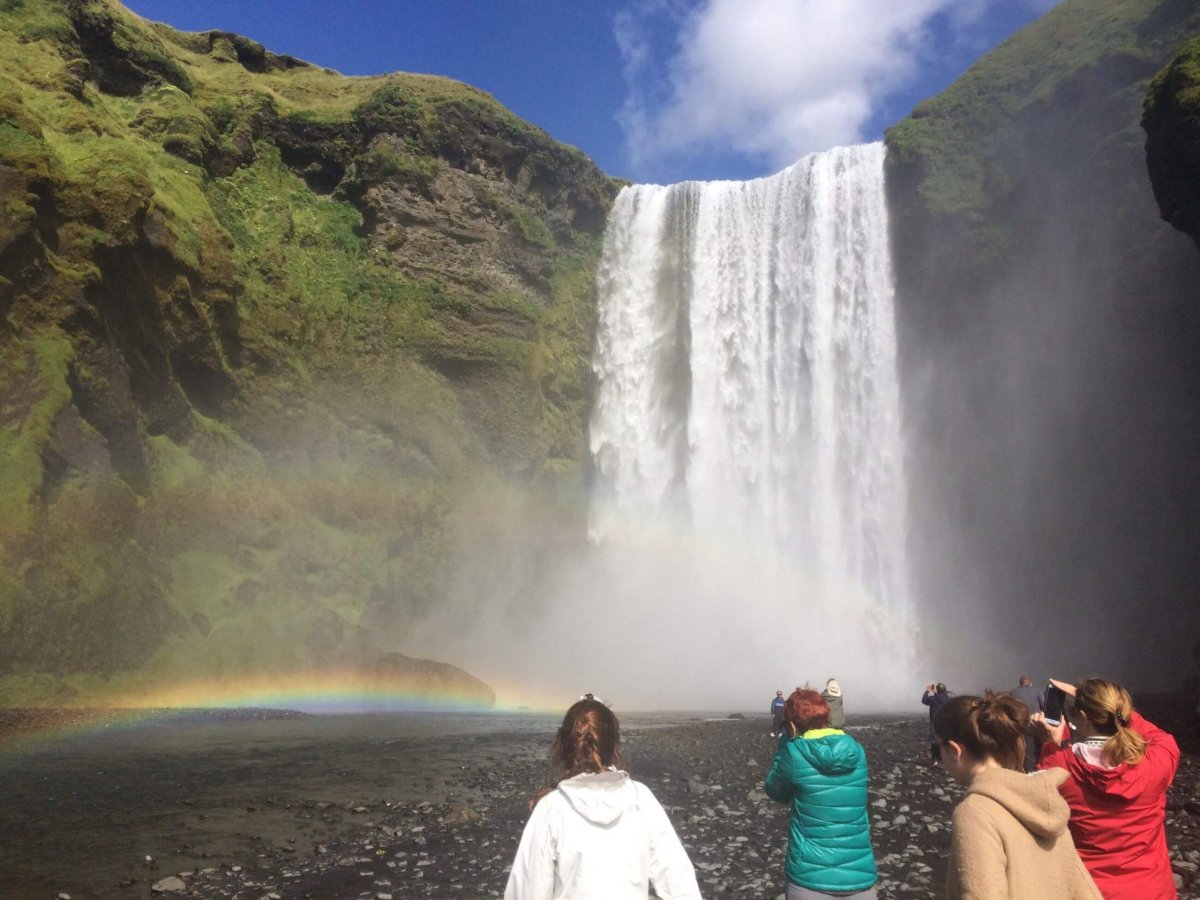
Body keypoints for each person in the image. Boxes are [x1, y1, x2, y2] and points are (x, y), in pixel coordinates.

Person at [504, 698, 701, 900]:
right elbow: (678, 880)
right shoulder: (641, 797)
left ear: (563, 744)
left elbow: (528, 891)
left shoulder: (551, 807)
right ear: (612, 743)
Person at [933, 692, 1100, 900]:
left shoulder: (975, 812)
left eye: (936, 749)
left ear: (954, 750)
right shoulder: (1045, 799)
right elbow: (1085, 890)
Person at [1034, 677, 1180, 900]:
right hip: (1152, 890)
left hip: (1091, 891)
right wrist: (1117, 711)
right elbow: (1159, 737)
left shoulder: (1059, 765)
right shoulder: (1156, 764)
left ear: (1082, 718)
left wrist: (1051, 741)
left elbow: (1044, 793)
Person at [765, 688, 878, 899]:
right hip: (860, 877)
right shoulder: (857, 751)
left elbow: (775, 791)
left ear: (791, 725)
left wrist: (784, 745)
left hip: (810, 879)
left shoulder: (795, 752)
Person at [1012, 675, 1046, 772]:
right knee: (1041, 749)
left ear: (1020, 683)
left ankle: (1029, 773)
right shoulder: (1037, 690)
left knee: (1029, 753)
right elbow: (1044, 705)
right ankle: (1041, 769)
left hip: (1025, 725)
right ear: (1030, 682)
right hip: (1038, 724)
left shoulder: (1014, 693)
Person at [921, 682, 952, 765]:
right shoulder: (948, 699)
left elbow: (924, 700)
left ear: (937, 690)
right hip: (945, 724)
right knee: (944, 741)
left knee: (934, 742)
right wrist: (947, 691)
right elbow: (955, 699)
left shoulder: (933, 699)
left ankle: (935, 760)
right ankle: (945, 758)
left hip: (934, 723)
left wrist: (928, 691)